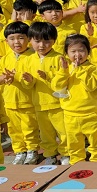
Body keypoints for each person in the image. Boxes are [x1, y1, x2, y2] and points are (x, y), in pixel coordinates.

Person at [52, 33, 97, 164]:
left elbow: (92, 86)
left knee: (96, 143)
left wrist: (80, 70)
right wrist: (64, 72)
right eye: (73, 51)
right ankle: (77, 164)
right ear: (66, 53)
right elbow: (57, 87)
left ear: (88, 52)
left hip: (91, 114)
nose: (77, 55)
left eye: (81, 50)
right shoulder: (65, 68)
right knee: (74, 144)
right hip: (71, 115)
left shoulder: (92, 68)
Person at [22, 22, 68, 165]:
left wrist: (47, 76)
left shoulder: (59, 57)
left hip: (58, 103)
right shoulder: (29, 59)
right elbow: (27, 85)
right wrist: (29, 81)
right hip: (40, 104)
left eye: (46, 41)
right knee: (46, 133)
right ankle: (50, 154)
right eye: (37, 41)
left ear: (54, 40)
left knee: (63, 131)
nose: (42, 45)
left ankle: (66, 153)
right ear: (30, 40)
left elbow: (64, 80)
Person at [0, 22, 39, 164]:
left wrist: (18, 77)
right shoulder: (5, 58)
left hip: (28, 102)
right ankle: (19, 151)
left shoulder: (33, 57)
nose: (16, 42)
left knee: (29, 128)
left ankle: (32, 150)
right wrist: (4, 77)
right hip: (9, 103)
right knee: (14, 130)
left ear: (29, 39)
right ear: (6, 41)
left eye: (21, 38)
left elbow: (33, 80)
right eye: (12, 38)